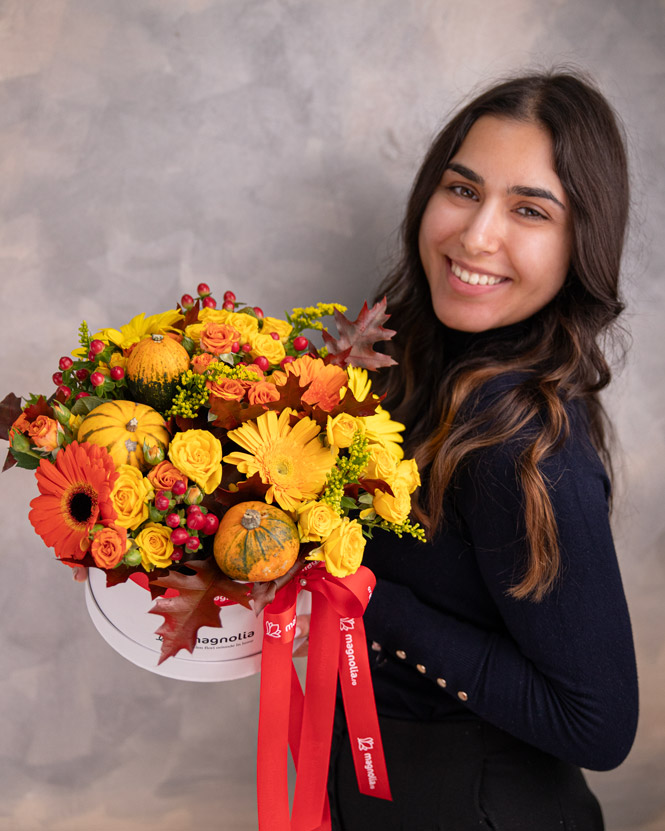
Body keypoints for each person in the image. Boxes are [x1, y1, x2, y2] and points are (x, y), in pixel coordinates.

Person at [325, 70, 639, 829]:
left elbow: (597, 724)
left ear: (578, 244)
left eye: (528, 209)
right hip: (383, 783)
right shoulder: (409, 361)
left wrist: (362, 600)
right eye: (462, 189)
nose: (474, 235)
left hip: (472, 805)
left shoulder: (522, 442)